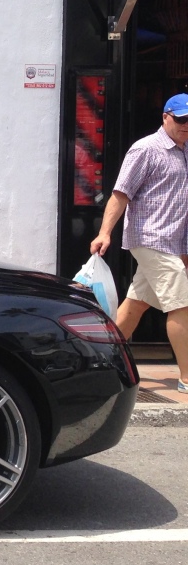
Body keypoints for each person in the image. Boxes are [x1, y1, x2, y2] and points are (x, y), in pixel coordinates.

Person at [91, 93, 188, 392]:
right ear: (165, 117)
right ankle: (187, 377)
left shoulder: (186, 150)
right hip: (150, 239)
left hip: (173, 242)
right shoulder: (145, 149)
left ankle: (99, 362)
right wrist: (105, 232)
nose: (186, 125)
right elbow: (121, 194)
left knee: (135, 306)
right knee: (183, 305)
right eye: (181, 119)